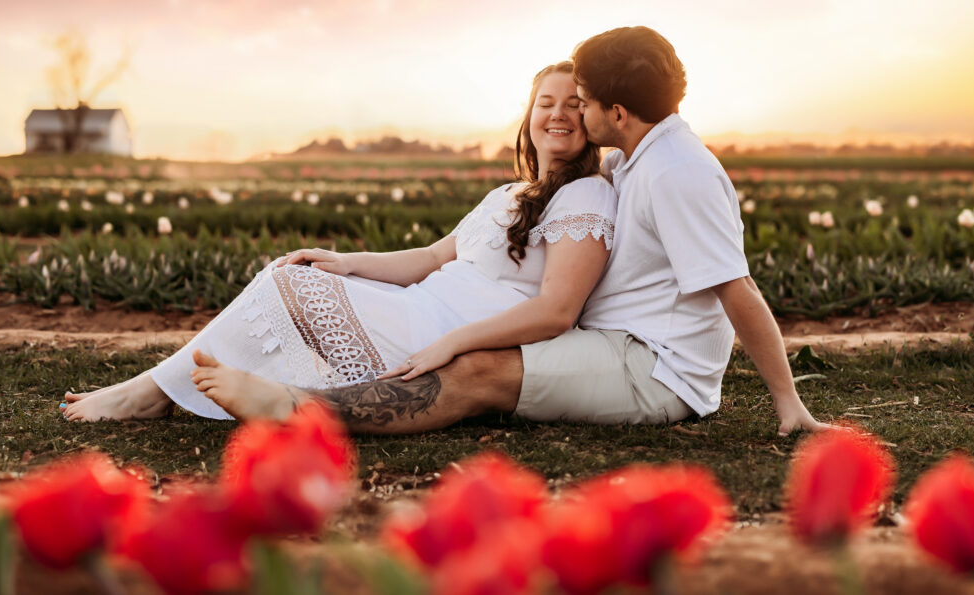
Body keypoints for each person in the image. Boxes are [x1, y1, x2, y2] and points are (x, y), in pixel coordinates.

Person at [185, 26, 829, 437]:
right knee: (465, 355)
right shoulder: (634, 155)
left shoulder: (678, 172)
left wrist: (787, 402)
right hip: (613, 342)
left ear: (617, 112)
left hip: (654, 368)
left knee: (475, 371)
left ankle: (297, 411)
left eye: (583, 101)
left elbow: (736, 288)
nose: (571, 111)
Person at [61, 61, 617, 422]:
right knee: (295, 276)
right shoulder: (509, 192)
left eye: (574, 103)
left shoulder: (586, 195)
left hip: (445, 331)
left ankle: (154, 390)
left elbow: (557, 311)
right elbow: (431, 257)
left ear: (591, 119)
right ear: (529, 113)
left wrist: (457, 343)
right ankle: (160, 388)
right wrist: (347, 262)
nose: (558, 113)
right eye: (546, 101)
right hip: (419, 307)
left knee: (287, 287)